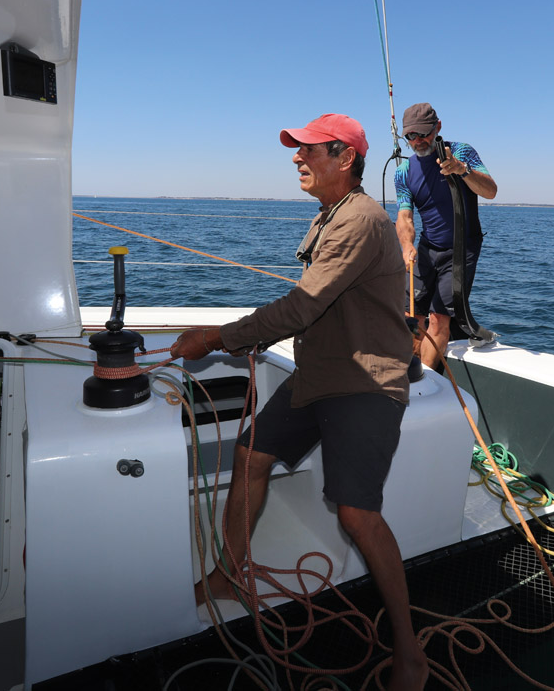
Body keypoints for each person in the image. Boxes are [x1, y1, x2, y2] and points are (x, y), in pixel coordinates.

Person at [170, 113, 429, 690]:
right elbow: (312, 307)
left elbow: (301, 306)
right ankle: (228, 574)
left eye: (310, 149)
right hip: (322, 371)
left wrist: (214, 338)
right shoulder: (331, 215)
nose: (297, 158)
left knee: (357, 513)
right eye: (298, 149)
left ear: (346, 158)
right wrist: (241, 334)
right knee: (250, 454)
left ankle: (411, 652)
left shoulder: (360, 219)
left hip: (366, 380)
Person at [393, 102, 497, 370]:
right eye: (410, 136)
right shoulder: (403, 172)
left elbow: (490, 191)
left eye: (423, 133)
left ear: (438, 127)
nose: (417, 141)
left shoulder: (461, 152)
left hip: (461, 249)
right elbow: (405, 216)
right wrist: (406, 245)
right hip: (427, 248)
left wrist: (462, 170)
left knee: (439, 319)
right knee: (410, 316)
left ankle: (425, 381)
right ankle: (409, 374)